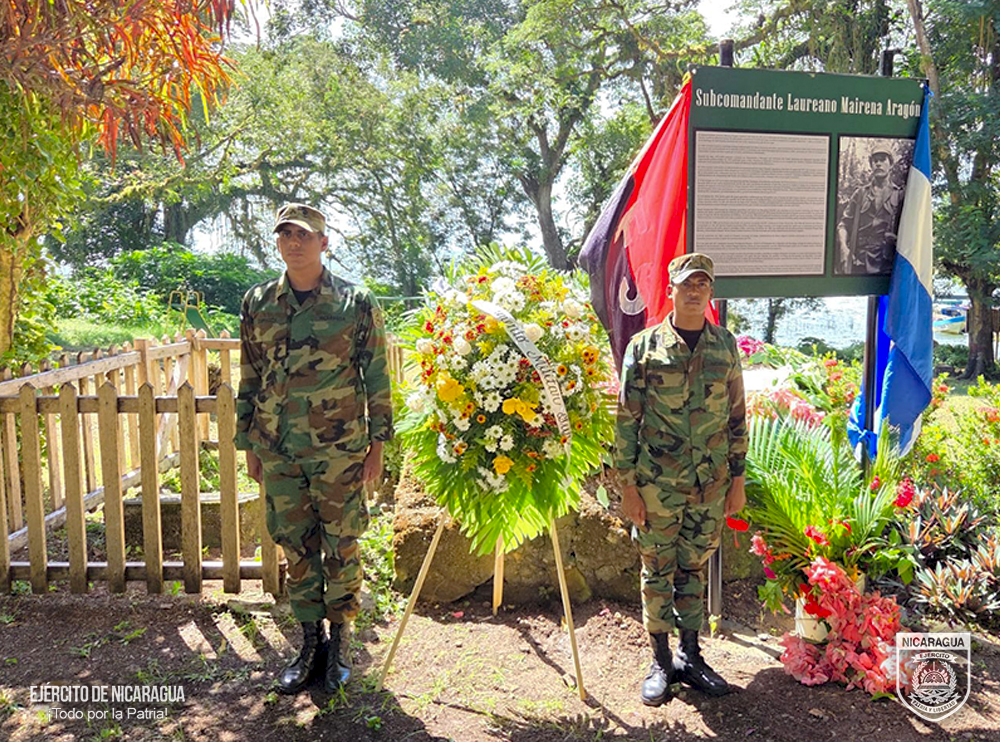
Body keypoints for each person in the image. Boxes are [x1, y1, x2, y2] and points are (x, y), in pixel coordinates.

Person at [236, 203, 393, 694]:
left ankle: (340, 642)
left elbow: (378, 378)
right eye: (285, 234)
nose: (294, 243)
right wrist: (249, 442)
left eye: (304, 235)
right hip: (279, 449)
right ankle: (309, 643)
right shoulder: (258, 302)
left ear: (325, 242)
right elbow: (250, 377)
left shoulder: (355, 303)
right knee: (296, 548)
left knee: (342, 545)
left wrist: (378, 446)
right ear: (278, 242)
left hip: (340, 451)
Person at [615, 252, 747, 706]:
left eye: (703, 285)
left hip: (709, 484)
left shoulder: (725, 346)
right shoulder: (645, 347)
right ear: (671, 289)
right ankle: (660, 661)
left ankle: (691, 656)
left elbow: (736, 417)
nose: (695, 291)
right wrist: (628, 487)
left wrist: (737, 479)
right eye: (687, 284)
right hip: (657, 486)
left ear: (711, 292)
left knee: (693, 568)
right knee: (657, 571)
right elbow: (626, 420)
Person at [837, 144, 903, 275]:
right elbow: (843, 225)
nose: (878, 164)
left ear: (890, 164)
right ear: (871, 164)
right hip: (859, 261)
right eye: (875, 160)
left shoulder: (900, 195)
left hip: (887, 263)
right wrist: (844, 249)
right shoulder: (860, 194)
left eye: (882, 159)